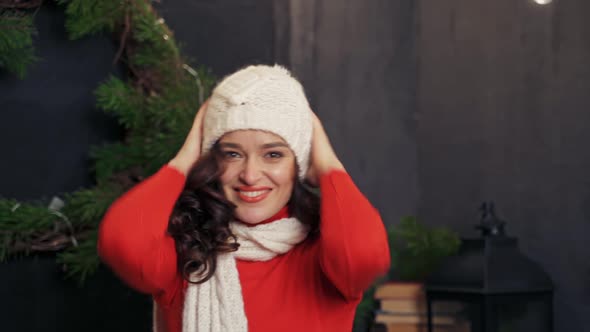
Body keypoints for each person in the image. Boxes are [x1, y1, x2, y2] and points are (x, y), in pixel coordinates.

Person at [98, 64, 390, 332]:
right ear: (212, 161)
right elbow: (122, 240)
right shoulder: (186, 254)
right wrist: (185, 159)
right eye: (232, 154)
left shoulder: (324, 257)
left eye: (273, 154)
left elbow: (364, 254)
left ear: (299, 164)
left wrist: (329, 166)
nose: (250, 175)